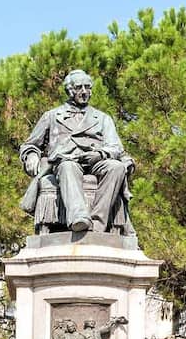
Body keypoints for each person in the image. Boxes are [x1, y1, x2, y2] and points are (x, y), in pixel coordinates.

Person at [19, 69, 134, 235]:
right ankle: (79, 217)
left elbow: (115, 147)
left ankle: (96, 224)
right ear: (69, 90)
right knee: (68, 167)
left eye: (88, 87)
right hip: (67, 160)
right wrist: (31, 155)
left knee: (116, 167)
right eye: (80, 87)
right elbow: (30, 144)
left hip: (96, 160)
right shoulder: (51, 116)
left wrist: (100, 154)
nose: (85, 92)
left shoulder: (102, 118)